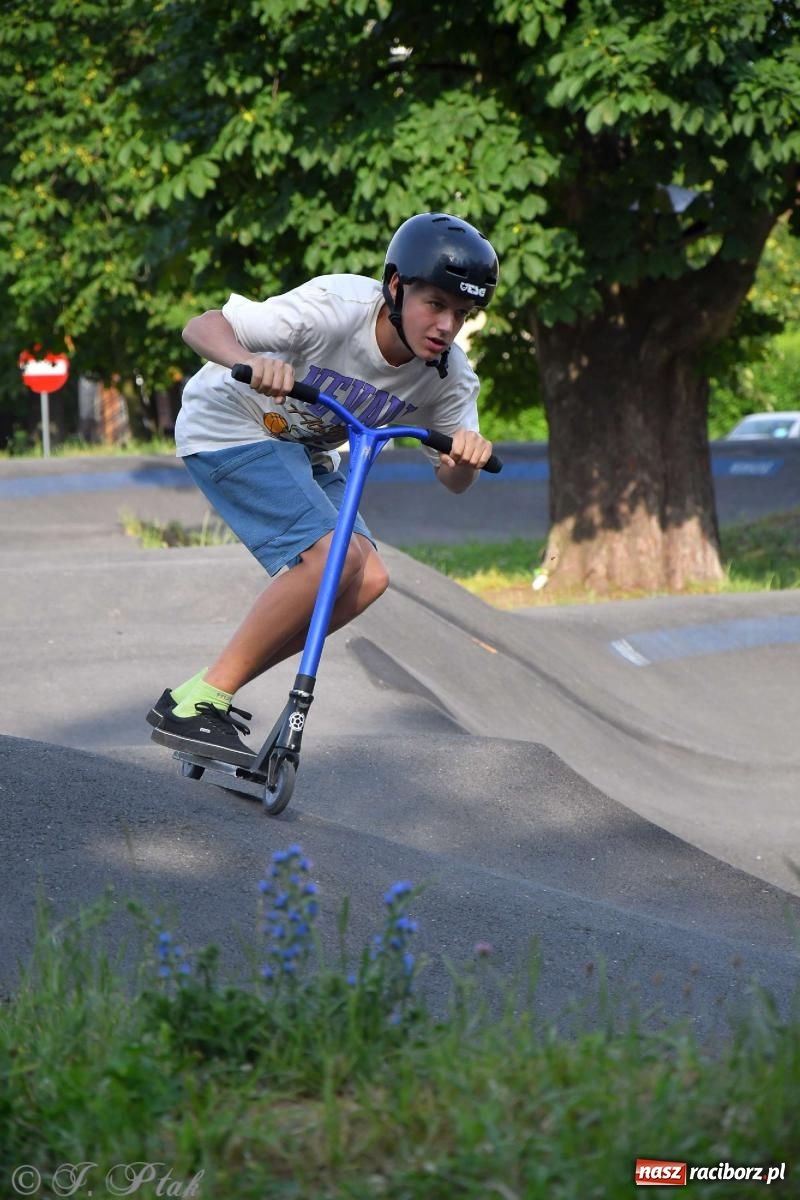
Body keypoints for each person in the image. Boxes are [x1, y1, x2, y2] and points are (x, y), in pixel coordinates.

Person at [148, 211, 499, 764]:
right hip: (229, 424)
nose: (446, 327)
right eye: (435, 305)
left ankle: (203, 692)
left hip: (305, 452)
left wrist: (466, 457)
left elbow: (453, 480)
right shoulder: (334, 310)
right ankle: (205, 701)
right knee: (328, 556)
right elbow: (201, 325)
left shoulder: (450, 375)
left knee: (368, 576)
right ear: (395, 287)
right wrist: (249, 362)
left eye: (462, 314)